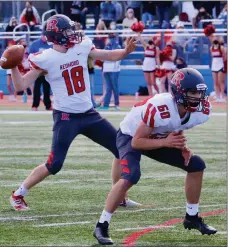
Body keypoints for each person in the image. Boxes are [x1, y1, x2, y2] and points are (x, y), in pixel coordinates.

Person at [9, 14, 140, 211]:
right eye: (68, 31)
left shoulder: (81, 46)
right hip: (66, 117)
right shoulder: (45, 58)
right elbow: (21, 85)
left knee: (121, 149)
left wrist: (125, 52)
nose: (73, 34)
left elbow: (107, 55)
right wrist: (12, 67)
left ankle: (119, 195)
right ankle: (18, 194)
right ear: (57, 36)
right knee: (54, 164)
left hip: (89, 114)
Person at [93, 68, 217, 245]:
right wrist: (166, 142)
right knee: (131, 175)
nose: (198, 97)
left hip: (159, 137)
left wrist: (182, 146)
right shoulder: (160, 106)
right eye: (192, 92)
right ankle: (101, 225)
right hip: (131, 136)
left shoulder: (201, 110)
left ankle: (192, 217)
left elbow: (177, 123)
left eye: (199, 92)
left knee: (196, 165)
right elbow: (137, 142)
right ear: (179, 93)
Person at [29, 34, 52, 111]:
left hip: (46, 70)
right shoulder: (35, 44)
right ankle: (35, 105)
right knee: (37, 88)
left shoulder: (50, 45)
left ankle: (48, 105)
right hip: (37, 70)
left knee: (47, 89)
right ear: (42, 35)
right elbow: (30, 56)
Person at [209, 37, 226, 102]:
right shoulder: (211, 48)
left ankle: (222, 96)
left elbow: (224, 57)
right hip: (214, 66)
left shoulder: (221, 48)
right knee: (215, 82)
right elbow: (212, 56)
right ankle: (217, 96)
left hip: (220, 65)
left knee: (220, 81)